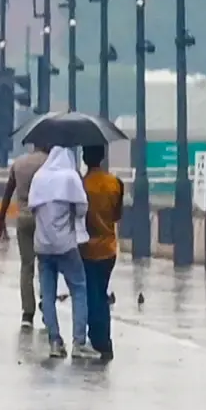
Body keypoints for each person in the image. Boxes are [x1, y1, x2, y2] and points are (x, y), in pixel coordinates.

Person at [29, 145, 93, 360]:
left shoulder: (38, 178)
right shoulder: (70, 178)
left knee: (47, 294)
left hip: (42, 245)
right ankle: (79, 342)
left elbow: (32, 209)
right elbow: (83, 208)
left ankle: (55, 341)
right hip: (66, 244)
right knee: (79, 289)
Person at [0, 139, 49, 329]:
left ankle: (27, 313)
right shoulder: (49, 163)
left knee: (27, 265)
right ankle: (46, 305)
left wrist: (0, 219)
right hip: (44, 218)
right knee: (45, 264)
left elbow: (8, 193)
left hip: (24, 217)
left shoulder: (19, 163)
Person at [80, 144, 124, 362]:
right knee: (102, 293)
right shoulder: (115, 183)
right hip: (109, 248)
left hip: (88, 248)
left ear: (84, 158)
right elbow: (117, 215)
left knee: (92, 296)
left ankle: (97, 340)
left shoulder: (81, 185)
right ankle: (105, 340)